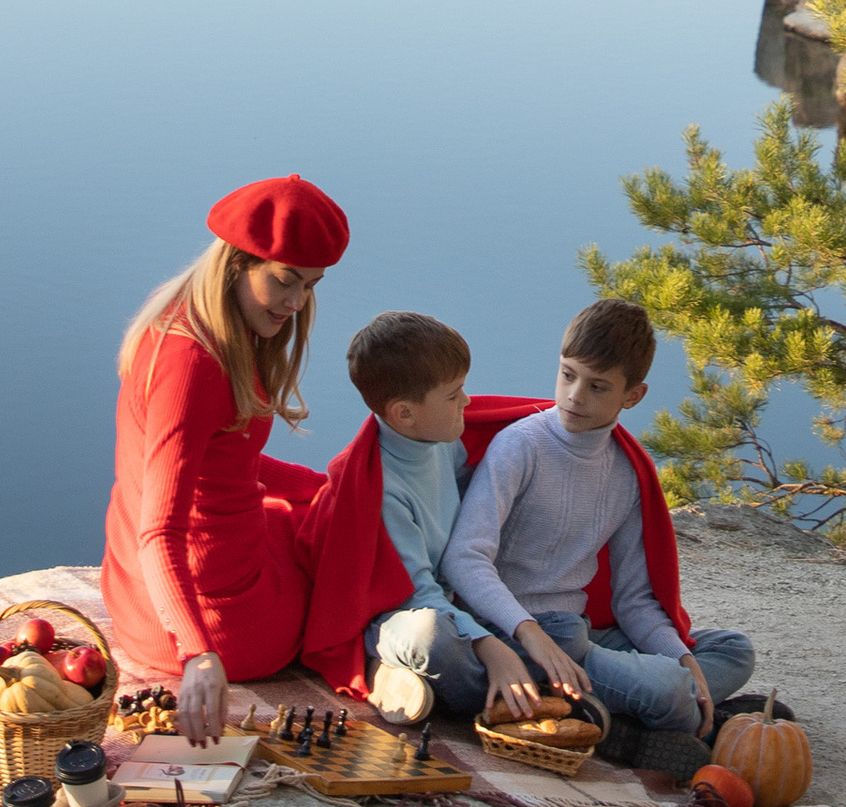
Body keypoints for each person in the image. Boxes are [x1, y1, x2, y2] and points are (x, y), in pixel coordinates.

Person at [441, 298, 755, 771]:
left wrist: (682, 659)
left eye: (597, 386)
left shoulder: (625, 473)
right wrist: (529, 632)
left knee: (731, 650)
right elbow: (465, 558)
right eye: (567, 375)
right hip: (516, 632)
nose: (573, 397)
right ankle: (650, 725)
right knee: (667, 687)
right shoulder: (520, 446)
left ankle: (635, 711)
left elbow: (634, 600)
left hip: (579, 635)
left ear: (633, 395)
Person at [101, 172, 348, 746]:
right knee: (337, 549)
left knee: (313, 507)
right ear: (237, 262)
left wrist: (324, 482)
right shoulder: (192, 365)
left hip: (135, 595)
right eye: (286, 281)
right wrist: (199, 658)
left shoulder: (184, 321)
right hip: (214, 623)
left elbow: (220, 466)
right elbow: (159, 530)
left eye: (311, 286)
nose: (296, 303)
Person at [322, 312, 533, 726]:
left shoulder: (439, 440)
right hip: (400, 614)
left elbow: (469, 503)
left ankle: (465, 689)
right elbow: (415, 592)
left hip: (456, 599)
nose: (468, 402)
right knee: (434, 639)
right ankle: (384, 668)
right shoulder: (382, 487)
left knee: (552, 625)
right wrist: (491, 647)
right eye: (454, 395)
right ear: (403, 414)